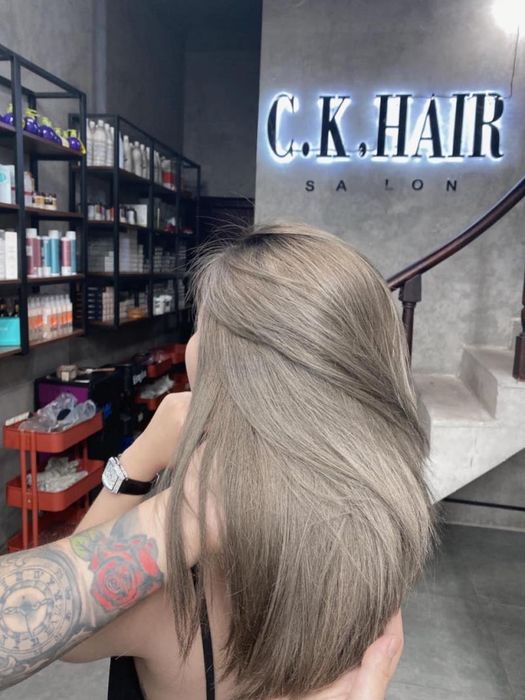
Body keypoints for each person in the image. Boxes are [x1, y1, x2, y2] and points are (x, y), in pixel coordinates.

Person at [0, 223, 434, 699]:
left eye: (200, 328)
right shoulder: (381, 541)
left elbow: (62, 630)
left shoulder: (176, 592)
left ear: (222, 366)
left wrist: (142, 466)